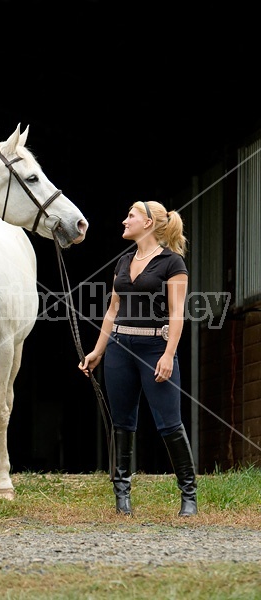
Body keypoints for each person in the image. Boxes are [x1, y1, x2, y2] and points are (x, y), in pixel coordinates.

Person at [78, 200, 197, 517]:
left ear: (148, 223)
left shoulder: (173, 264)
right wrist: (98, 351)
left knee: (169, 424)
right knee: (122, 424)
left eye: (130, 215)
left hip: (155, 350)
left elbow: (176, 314)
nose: (124, 220)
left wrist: (169, 354)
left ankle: (189, 496)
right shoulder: (123, 261)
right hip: (119, 349)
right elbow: (112, 310)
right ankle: (122, 499)